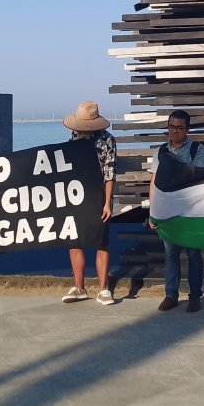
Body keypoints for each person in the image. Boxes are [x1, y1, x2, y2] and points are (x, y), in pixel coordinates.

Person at [148, 110, 204, 313]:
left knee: (193, 254)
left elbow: (199, 177)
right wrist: (152, 211)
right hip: (167, 210)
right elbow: (154, 181)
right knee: (170, 253)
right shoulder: (160, 151)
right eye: (171, 127)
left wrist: (176, 165)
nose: (174, 131)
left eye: (179, 128)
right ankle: (171, 295)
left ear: (187, 129)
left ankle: (194, 296)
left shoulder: (196, 150)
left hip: (190, 211)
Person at [61, 101, 116, 306]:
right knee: (74, 240)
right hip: (75, 193)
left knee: (101, 241)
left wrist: (107, 203)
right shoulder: (74, 137)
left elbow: (110, 173)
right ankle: (79, 286)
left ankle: (103, 289)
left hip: (98, 193)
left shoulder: (107, 140)